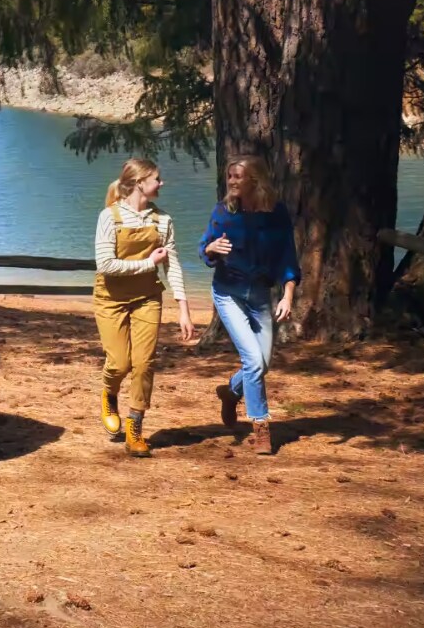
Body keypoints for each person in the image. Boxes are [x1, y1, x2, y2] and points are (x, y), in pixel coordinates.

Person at [92, 157, 197, 457]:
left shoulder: (163, 221)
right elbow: (106, 265)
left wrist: (184, 309)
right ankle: (109, 394)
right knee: (120, 363)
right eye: (157, 179)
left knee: (144, 363)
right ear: (140, 183)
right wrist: (147, 263)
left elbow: (173, 266)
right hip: (110, 299)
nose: (161, 184)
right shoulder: (108, 217)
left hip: (148, 298)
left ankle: (135, 426)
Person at [200, 155, 300, 455]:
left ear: (254, 180)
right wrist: (212, 248)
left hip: (260, 295)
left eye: (237, 177)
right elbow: (205, 247)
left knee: (263, 363)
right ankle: (261, 428)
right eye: (229, 176)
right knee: (254, 362)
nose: (231, 181)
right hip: (227, 293)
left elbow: (287, 256)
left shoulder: (276, 213)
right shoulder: (224, 211)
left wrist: (288, 294)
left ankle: (231, 392)